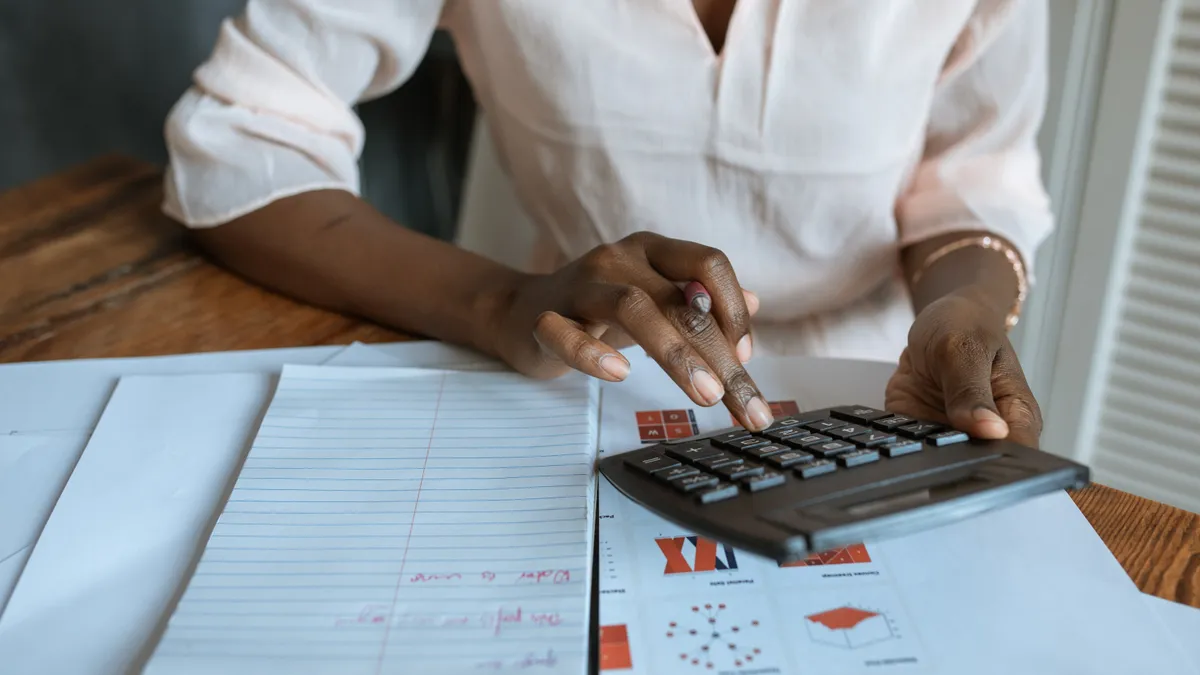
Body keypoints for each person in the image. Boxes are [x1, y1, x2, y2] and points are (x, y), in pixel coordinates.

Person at [163, 0, 1048, 444]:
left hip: (887, 399)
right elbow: (242, 138)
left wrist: (964, 309)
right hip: (576, 378)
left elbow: (974, 173)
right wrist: (498, 304)